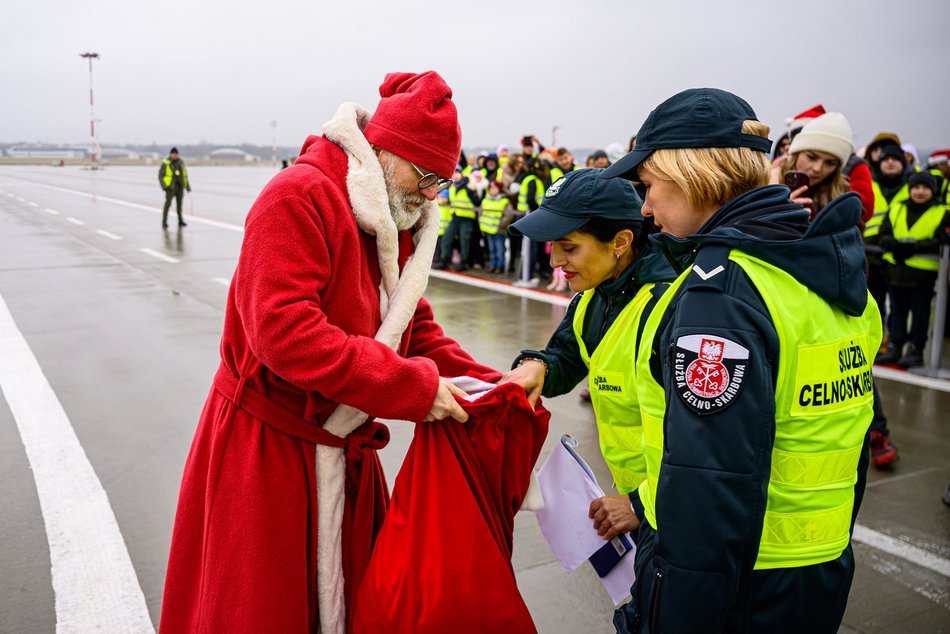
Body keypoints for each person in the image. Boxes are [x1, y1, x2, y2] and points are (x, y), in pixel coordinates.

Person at [159, 71, 501, 634]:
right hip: (269, 453)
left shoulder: (392, 217)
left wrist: (495, 384)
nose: (432, 193)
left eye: (443, 180)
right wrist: (413, 389)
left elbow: (411, 329)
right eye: (426, 175)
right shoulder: (298, 196)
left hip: (340, 447)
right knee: (261, 609)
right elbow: (284, 331)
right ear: (386, 152)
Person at [601, 88, 881, 633]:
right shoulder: (820, 269)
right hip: (817, 566)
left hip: (738, 584)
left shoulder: (723, 296)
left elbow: (708, 485)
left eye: (650, 187)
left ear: (694, 177)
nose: (645, 208)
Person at [500, 168, 673, 498]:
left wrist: (638, 506)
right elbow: (567, 356)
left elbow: (701, 444)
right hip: (634, 500)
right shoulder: (592, 299)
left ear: (621, 242)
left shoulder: (672, 307)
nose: (555, 262)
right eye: (553, 246)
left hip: (669, 511)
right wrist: (541, 366)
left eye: (569, 247)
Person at [877, 171, 950, 367]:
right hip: (895, 271)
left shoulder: (942, 212)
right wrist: (895, 246)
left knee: (920, 314)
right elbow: (882, 235)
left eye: (925, 188)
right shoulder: (897, 209)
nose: (920, 191)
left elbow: (942, 240)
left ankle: (916, 350)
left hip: (923, 275)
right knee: (897, 314)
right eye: (916, 187)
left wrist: (914, 247)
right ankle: (895, 346)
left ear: (933, 191)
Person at [478, 179, 512, 274]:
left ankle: (500, 267)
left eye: (495, 188)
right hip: (488, 229)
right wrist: (482, 224)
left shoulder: (504, 201)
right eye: (491, 188)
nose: (492, 190)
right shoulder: (485, 199)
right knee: (492, 249)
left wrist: (501, 225)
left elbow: (509, 215)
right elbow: (480, 213)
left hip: (499, 230)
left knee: (500, 249)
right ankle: (493, 266)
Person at [158, 147, 191, 229]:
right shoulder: (166, 163)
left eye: (176, 154)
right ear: (170, 154)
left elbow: (184, 176)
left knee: (179, 205)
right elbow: (160, 176)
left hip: (180, 187)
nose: (174, 155)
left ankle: (180, 221)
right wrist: (164, 186)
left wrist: (187, 187)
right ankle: (164, 221)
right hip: (170, 187)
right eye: (173, 154)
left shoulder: (180, 162)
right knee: (167, 204)